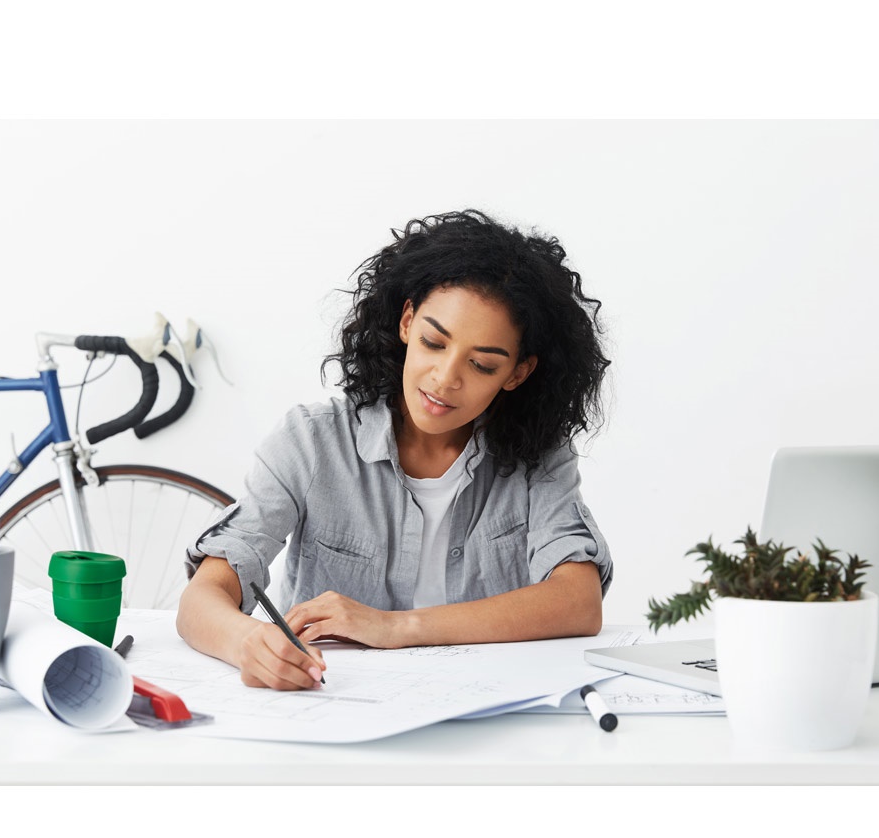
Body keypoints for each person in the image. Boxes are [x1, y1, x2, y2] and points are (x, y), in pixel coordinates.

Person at [176, 209, 613, 690]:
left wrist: (396, 627)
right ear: (407, 323)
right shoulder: (312, 441)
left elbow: (579, 602)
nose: (445, 379)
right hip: (333, 704)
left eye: (482, 365)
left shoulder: (538, 456)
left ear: (517, 373)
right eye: (433, 342)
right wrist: (247, 643)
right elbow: (202, 598)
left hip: (482, 704)